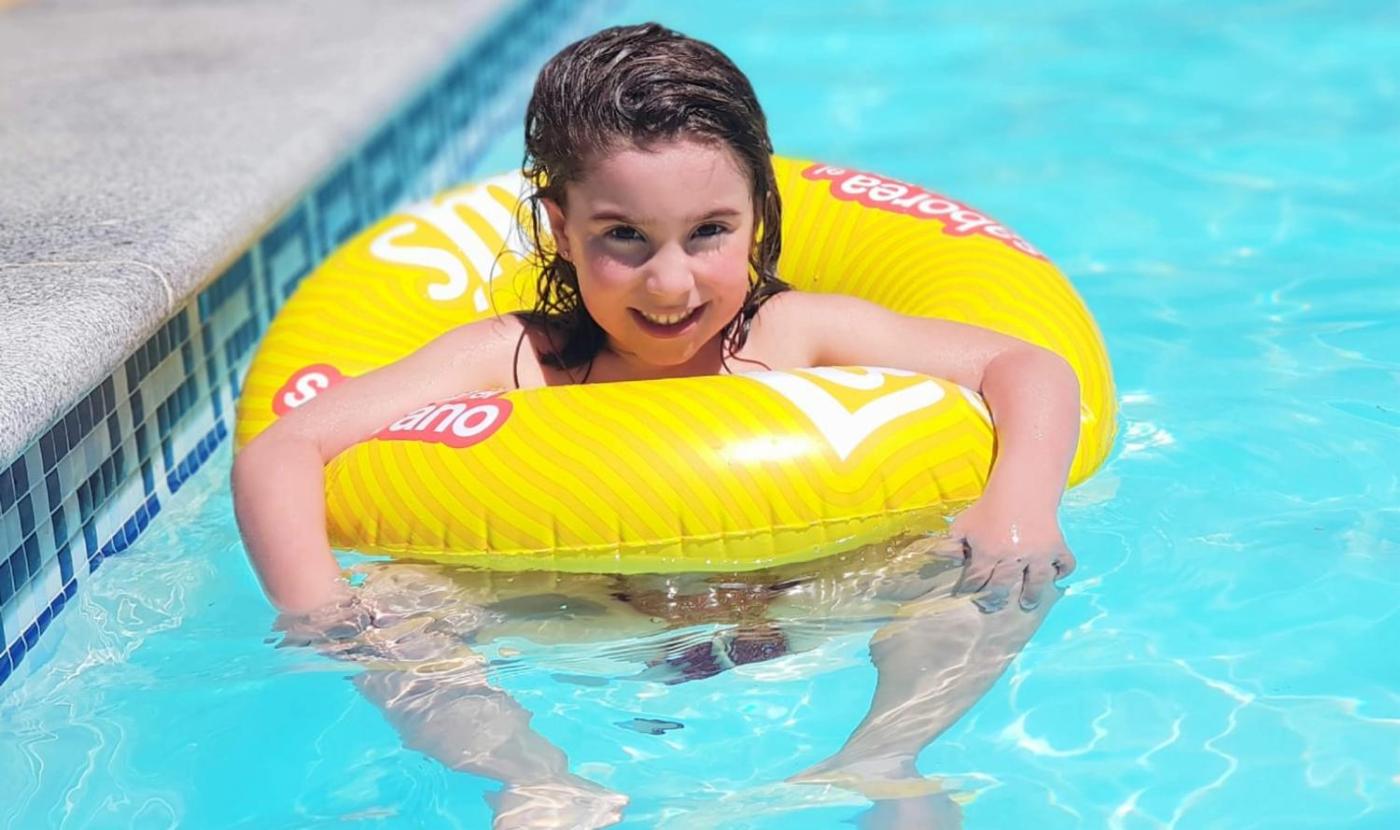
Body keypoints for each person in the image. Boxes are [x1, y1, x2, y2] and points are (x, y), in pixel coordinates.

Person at [233, 22, 1081, 829]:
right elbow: (285, 447)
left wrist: (1017, 510)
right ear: (561, 229)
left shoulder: (799, 335)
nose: (670, 284)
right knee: (394, 609)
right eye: (624, 237)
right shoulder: (515, 357)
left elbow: (1028, 367)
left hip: (802, 597)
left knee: (993, 575)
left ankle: (885, 756)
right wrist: (318, 609)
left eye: (708, 232)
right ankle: (533, 781)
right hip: (578, 615)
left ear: (758, 216)